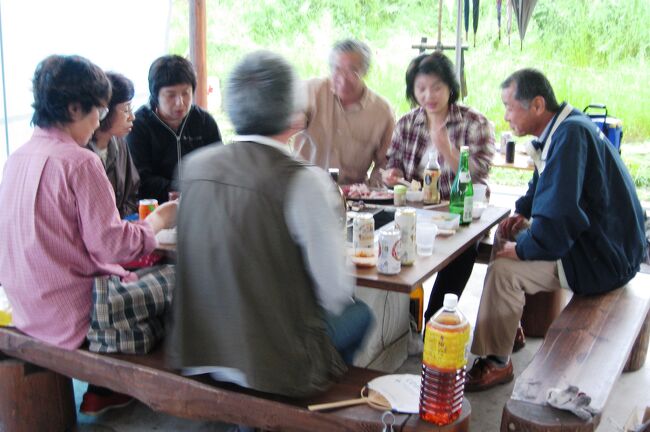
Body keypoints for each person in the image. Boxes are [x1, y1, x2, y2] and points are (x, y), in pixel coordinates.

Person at [167, 50, 371, 398]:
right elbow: (335, 292)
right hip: (273, 366)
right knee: (360, 314)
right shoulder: (303, 181)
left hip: (195, 350)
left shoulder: (195, 166)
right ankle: (304, 414)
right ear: (292, 113)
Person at [0, 55, 177, 414]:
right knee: (180, 278)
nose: (99, 119)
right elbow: (111, 246)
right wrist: (158, 221)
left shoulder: (17, 156)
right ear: (74, 107)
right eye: (97, 110)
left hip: (25, 307)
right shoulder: (80, 162)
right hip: (74, 317)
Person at [465, 68, 647, 392]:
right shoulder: (565, 126)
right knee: (504, 237)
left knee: (504, 269)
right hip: (606, 244)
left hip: (602, 259)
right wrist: (521, 209)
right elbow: (543, 184)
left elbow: (558, 218)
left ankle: (497, 361)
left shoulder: (569, 136)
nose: (505, 116)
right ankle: (507, 329)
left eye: (509, 106)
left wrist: (522, 250)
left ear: (537, 105)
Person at [382, 52, 495, 322]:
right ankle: (403, 324)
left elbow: (479, 174)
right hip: (415, 209)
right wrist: (391, 174)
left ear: (451, 88)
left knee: (463, 251)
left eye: (436, 88)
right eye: (421, 89)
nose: (428, 95)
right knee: (391, 241)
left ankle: (434, 323)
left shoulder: (474, 122)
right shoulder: (408, 123)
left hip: (458, 212)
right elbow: (392, 163)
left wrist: (447, 149)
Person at [297, 39, 394, 186]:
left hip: (352, 197)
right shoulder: (310, 92)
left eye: (352, 71)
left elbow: (385, 161)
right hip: (305, 188)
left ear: (365, 72)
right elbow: (280, 130)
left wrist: (371, 189)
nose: (343, 79)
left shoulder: (382, 112)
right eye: (337, 69)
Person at [127, 54, 222, 204]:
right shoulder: (138, 125)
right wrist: (181, 190)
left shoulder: (204, 122)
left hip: (200, 204)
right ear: (155, 95)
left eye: (186, 93)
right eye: (171, 95)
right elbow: (140, 178)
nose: (180, 103)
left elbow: (218, 167)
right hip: (153, 207)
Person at [86, 72, 139, 218]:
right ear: (105, 111)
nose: (132, 116)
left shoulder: (120, 144)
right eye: (126, 109)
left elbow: (132, 195)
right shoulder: (81, 153)